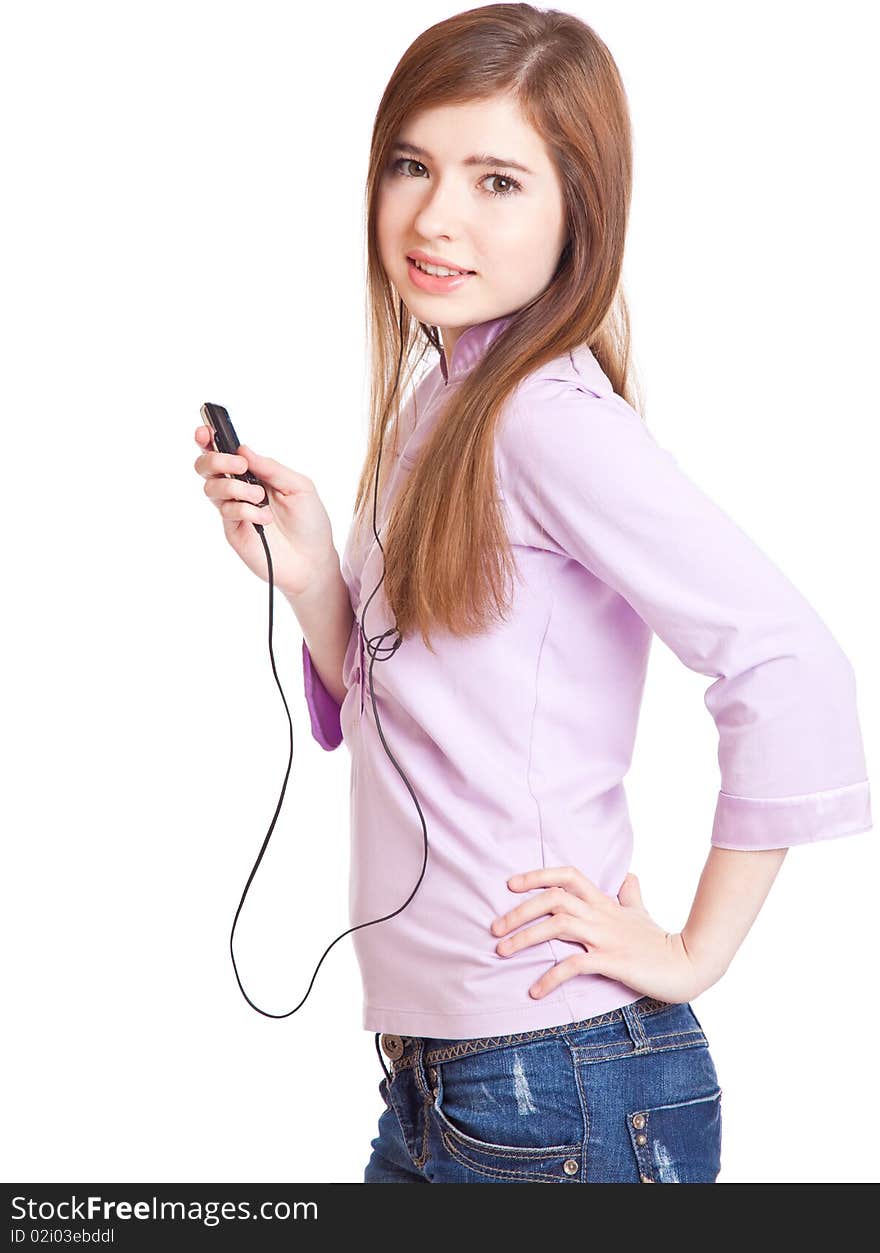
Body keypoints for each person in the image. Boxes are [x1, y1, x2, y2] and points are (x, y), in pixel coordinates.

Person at [192, 5, 872, 1183]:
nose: (434, 215)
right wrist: (310, 573)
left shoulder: (546, 419)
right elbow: (419, 709)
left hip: (552, 1072)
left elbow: (788, 660)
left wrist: (694, 950)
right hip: (450, 1078)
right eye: (412, 164)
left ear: (578, 212)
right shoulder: (441, 403)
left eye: (496, 179)